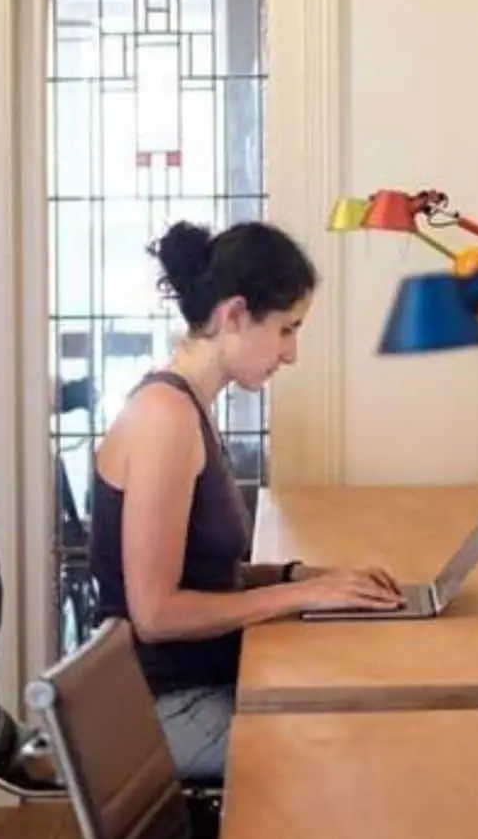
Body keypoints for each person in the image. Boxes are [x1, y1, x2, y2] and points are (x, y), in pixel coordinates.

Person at [88, 219, 402, 782]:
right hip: (163, 710)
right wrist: (301, 594)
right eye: (286, 329)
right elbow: (155, 614)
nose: (292, 353)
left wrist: (306, 576)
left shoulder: (187, 408)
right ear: (234, 315)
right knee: (353, 756)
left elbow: (209, 572)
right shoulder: (165, 418)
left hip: (191, 687)